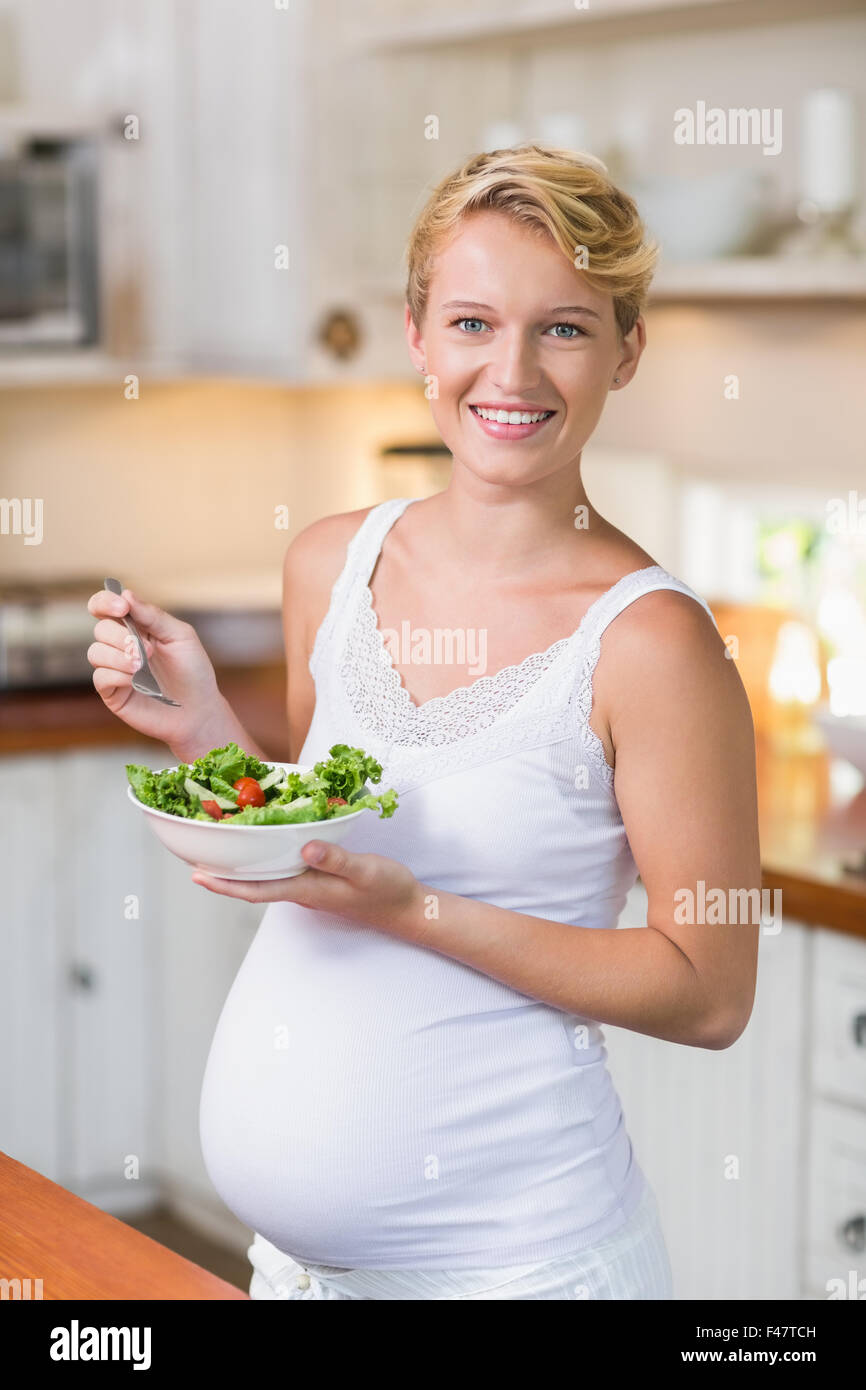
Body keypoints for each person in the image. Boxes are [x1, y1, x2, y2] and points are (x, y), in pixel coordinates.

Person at [87, 144, 761, 1300]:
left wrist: (419, 911)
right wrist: (202, 731)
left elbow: (707, 992)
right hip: (298, 1275)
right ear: (415, 335)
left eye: (562, 327)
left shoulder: (652, 644)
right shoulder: (328, 565)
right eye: (469, 322)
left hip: (523, 1272)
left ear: (625, 349)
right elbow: (323, 848)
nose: (510, 369)